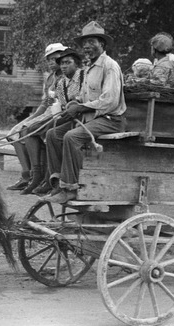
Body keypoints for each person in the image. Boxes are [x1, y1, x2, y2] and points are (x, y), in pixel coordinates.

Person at [44, 21, 127, 204]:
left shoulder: (109, 66)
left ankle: (70, 187)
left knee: (71, 137)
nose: (87, 46)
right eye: (85, 43)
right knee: (52, 134)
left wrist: (80, 108)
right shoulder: (89, 67)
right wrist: (74, 106)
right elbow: (83, 97)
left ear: (102, 44)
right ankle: (58, 182)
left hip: (110, 119)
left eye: (92, 42)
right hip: (90, 117)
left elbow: (110, 100)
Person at [6, 42, 67, 192]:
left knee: (28, 131)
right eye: (49, 60)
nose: (52, 62)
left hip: (58, 114)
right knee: (14, 133)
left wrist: (30, 123)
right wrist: (30, 118)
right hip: (47, 112)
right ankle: (27, 175)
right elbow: (45, 103)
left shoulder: (68, 75)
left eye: (55, 58)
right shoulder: (50, 78)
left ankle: (36, 175)